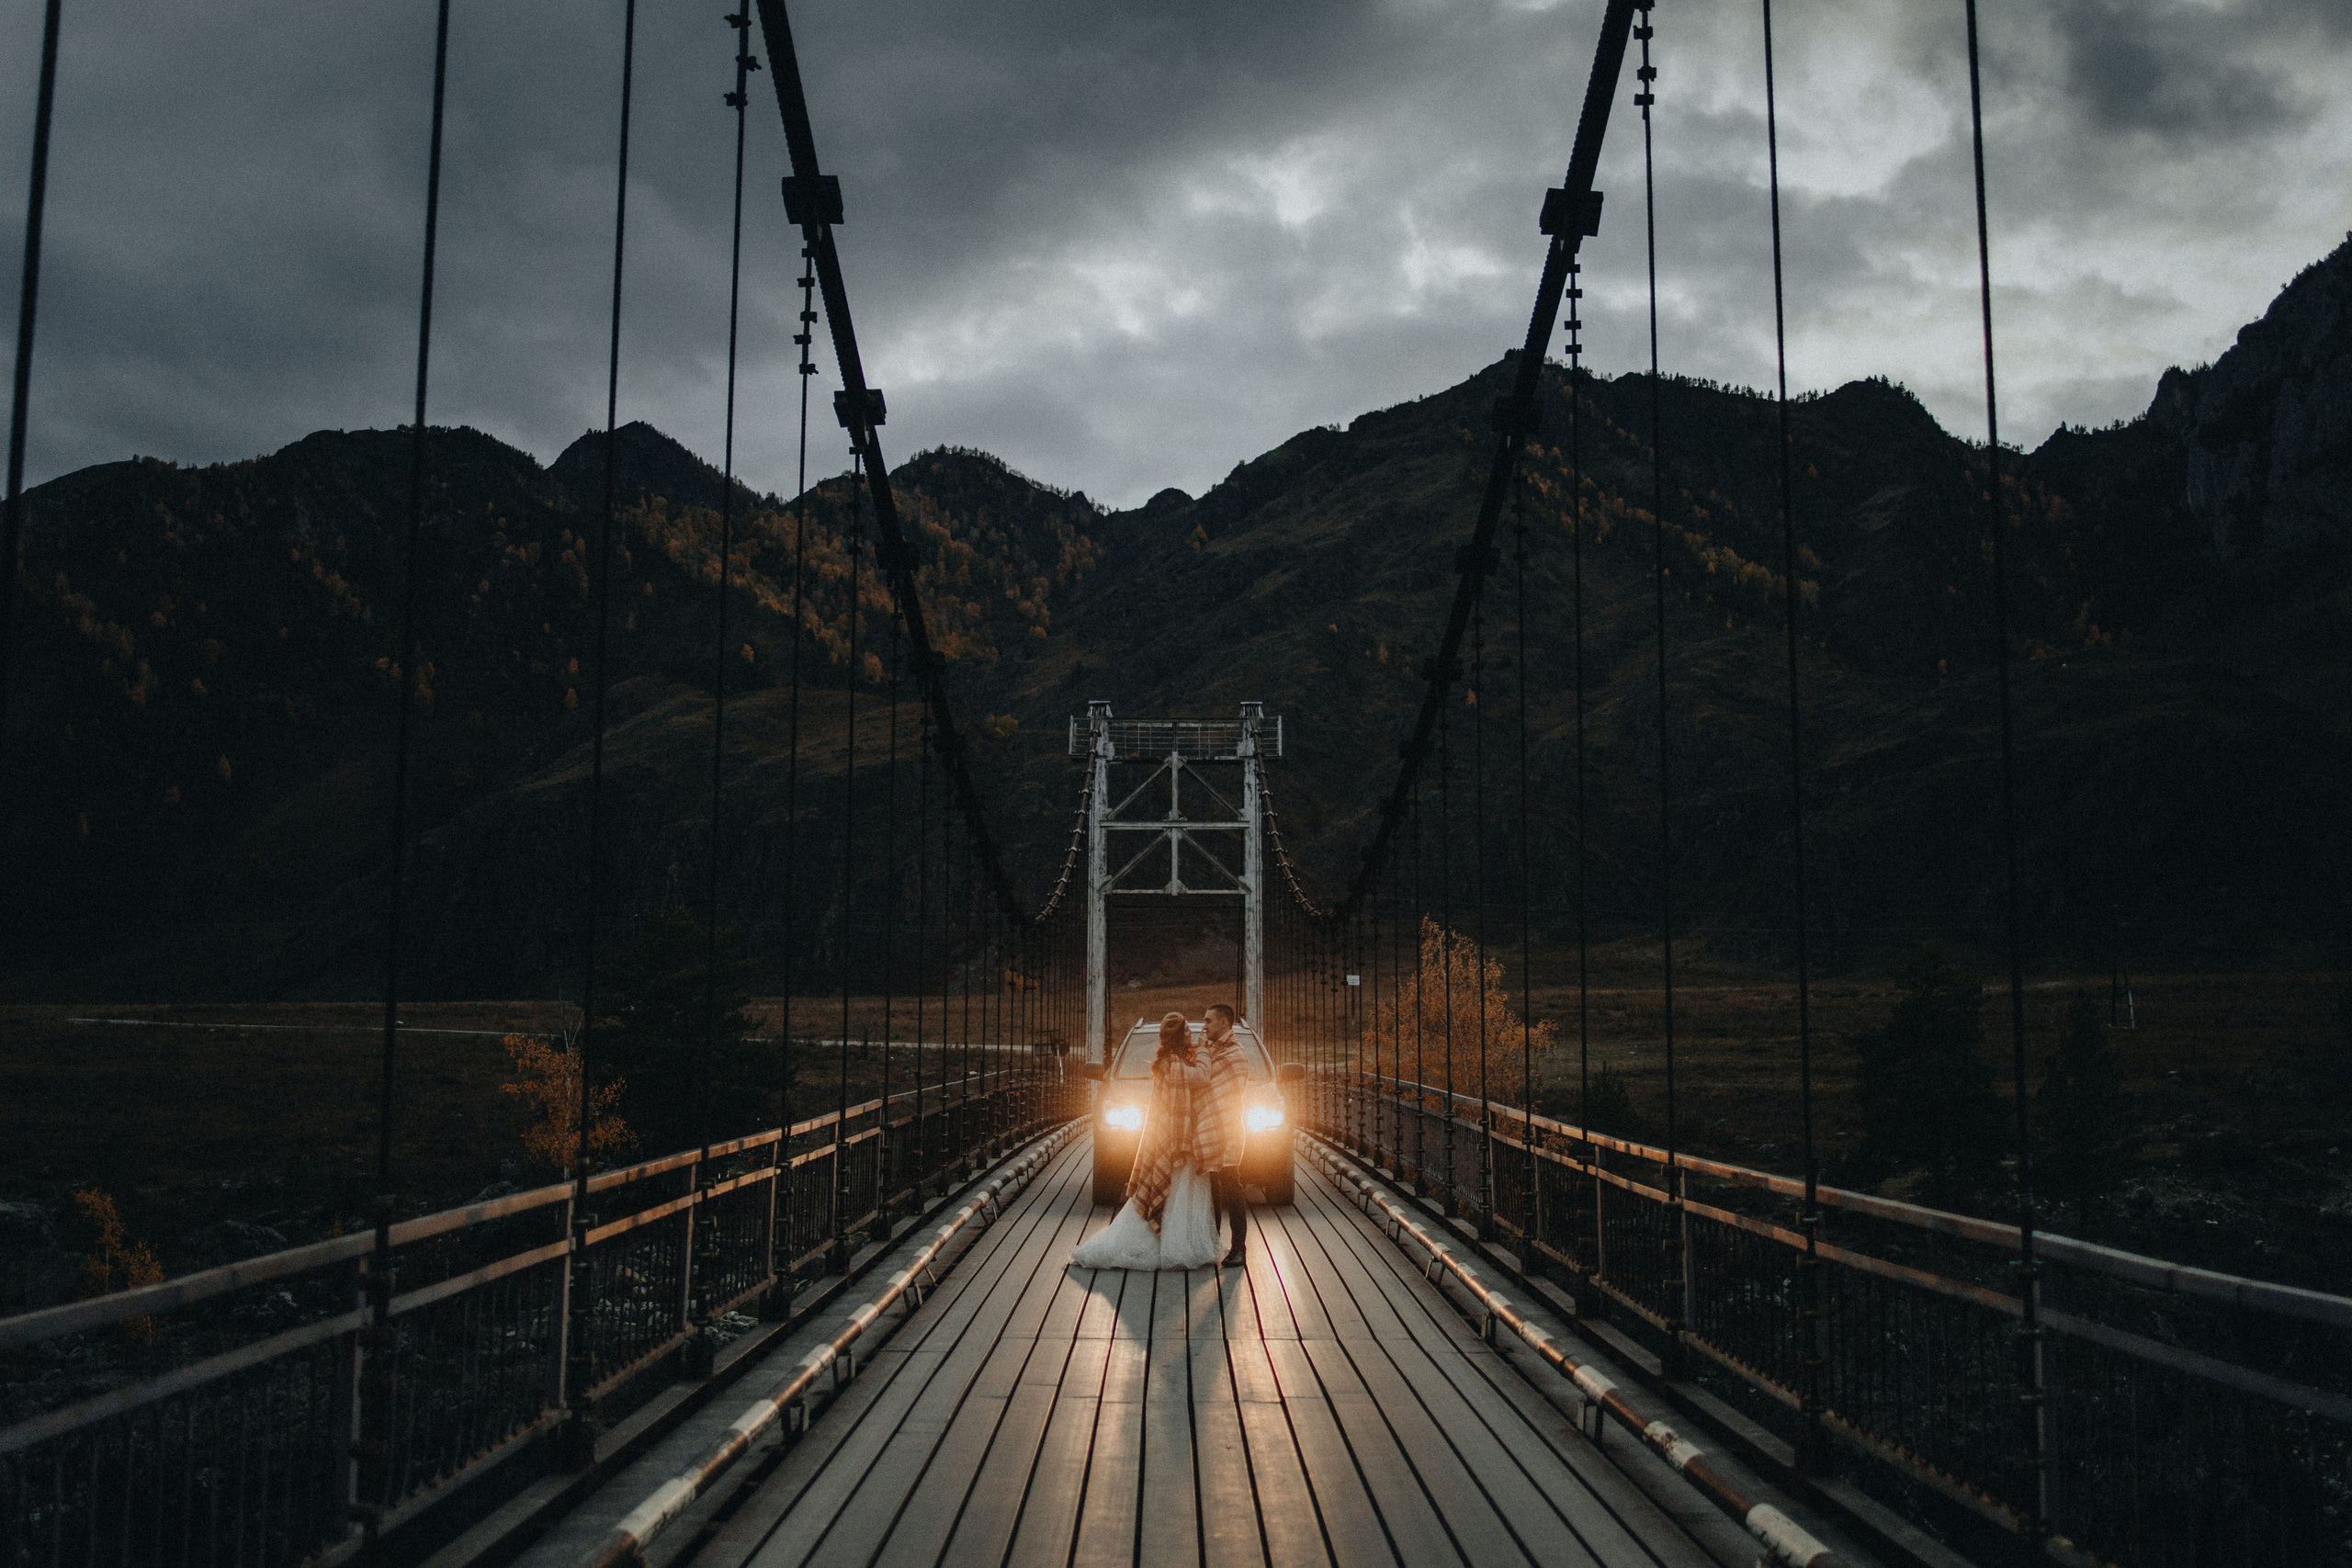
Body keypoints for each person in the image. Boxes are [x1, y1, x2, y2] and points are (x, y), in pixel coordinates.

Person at [1070, 1012, 1219, 1269]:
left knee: (1181, 1194)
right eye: (1186, 1032)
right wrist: (1205, 1050)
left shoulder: (1173, 1062)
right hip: (1175, 1142)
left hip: (1178, 1138)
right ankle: (1176, 1246)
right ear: (1176, 1037)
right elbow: (1203, 1077)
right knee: (1178, 1193)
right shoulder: (1173, 1065)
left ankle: (1181, 1242)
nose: (1191, 1035)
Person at [1196, 1002, 1252, 1268]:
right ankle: (1212, 1244)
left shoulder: (1236, 1054)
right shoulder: (1204, 1053)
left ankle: (1239, 1249)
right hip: (1206, 1128)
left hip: (1228, 1128)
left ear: (1224, 1023)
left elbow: (1229, 1093)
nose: (1204, 1026)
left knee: (1231, 1186)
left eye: (1208, 1021)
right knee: (1211, 1189)